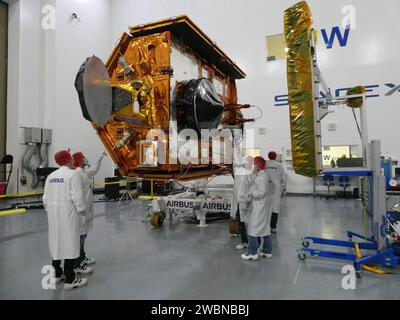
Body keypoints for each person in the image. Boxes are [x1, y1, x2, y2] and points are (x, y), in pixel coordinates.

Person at [43, 150, 89, 290]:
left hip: (53, 215)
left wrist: (52, 211)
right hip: (69, 215)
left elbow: (45, 199)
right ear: (69, 160)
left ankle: (57, 273)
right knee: (70, 244)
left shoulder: (51, 176)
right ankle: (70, 279)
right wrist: (83, 214)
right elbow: (77, 197)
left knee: (56, 242)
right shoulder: (72, 174)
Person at [72, 151, 106, 273]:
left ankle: (82, 258)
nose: (85, 159)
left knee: (83, 235)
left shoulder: (83, 173)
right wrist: (82, 211)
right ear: (78, 160)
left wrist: (100, 157)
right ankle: (77, 264)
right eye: (82, 157)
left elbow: (94, 170)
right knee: (80, 237)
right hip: (80, 212)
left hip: (85, 211)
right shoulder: (76, 173)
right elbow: (76, 195)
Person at [241, 156, 275, 261]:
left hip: (259, 205)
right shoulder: (266, 174)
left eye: (254, 164)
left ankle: (252, 252)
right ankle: (267, 251)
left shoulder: (262, 177)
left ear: (258, 165)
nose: (253, 166)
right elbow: (272, 188)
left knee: (253, 228)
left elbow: (261, 192)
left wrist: (251, 193)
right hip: (265, 205)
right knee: (265, 228)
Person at [230, 155, 255, 250]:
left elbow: (245, 188)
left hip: (245, 201)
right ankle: (248, 241)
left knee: (244, 222)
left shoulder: (247, 173)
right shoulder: (244, 172)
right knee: (244, 221)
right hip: (244, 201)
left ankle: (246, 242)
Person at [266, 151, 286, 233]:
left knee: (266, 207)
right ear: (275, 156)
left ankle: (265, 226)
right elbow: (283, 178)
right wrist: (284, 188)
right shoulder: (279, 165)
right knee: (275, 208)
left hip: (266, 188)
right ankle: (273, 227)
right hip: (276, 189)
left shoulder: (265, 164)